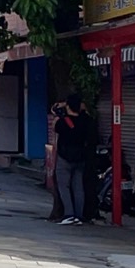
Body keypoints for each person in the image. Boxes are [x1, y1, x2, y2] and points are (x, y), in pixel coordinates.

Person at [53, 93, 94, 225]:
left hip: (65, 157)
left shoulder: (63, 121)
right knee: (78, 187)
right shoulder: (86, 120)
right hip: (80, 157)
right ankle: (79, 215)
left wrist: (63, 106)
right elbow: (86, 112)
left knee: (64, 186)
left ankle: (69, 214)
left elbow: (55, 125)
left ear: (69, 106)